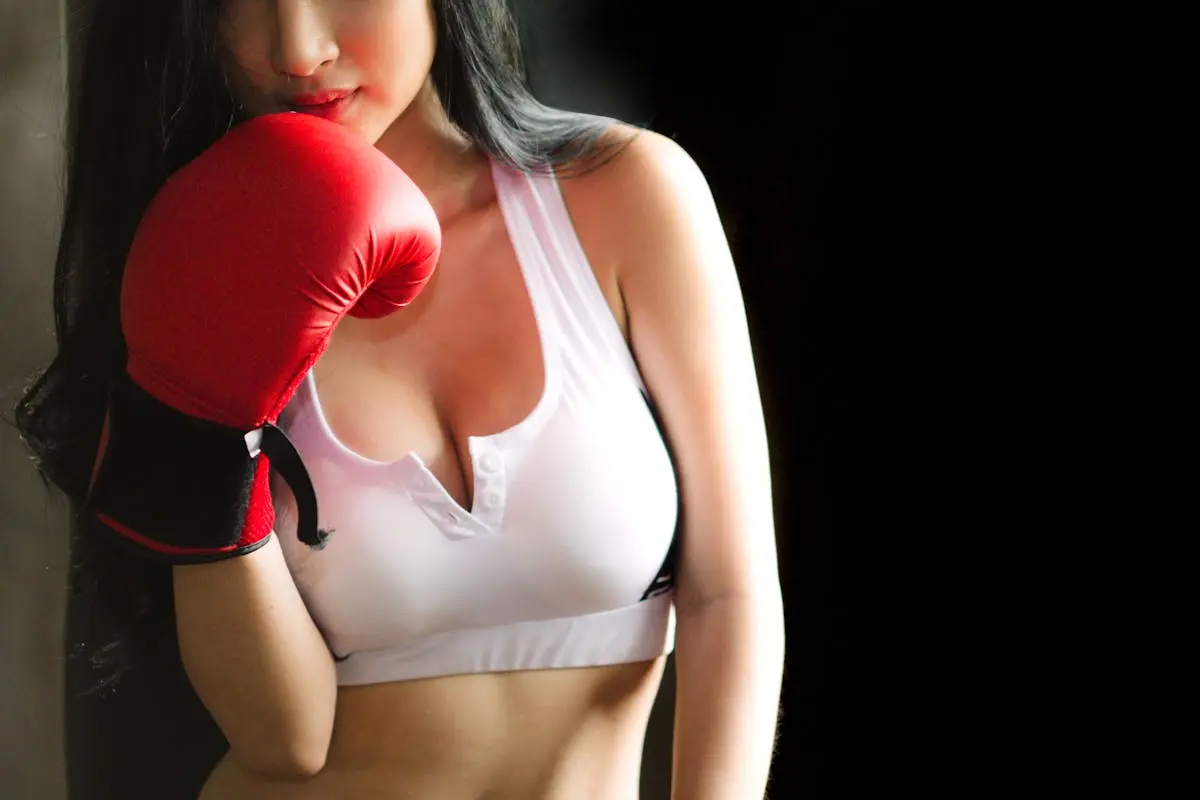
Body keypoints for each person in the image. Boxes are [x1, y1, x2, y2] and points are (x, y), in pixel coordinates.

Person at [15, 1, 786, 797]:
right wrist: (202, 425)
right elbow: (286, 737)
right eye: (241, 2)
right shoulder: (210, 268)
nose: (299, 50)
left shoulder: (624, 195)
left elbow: (731, 596)